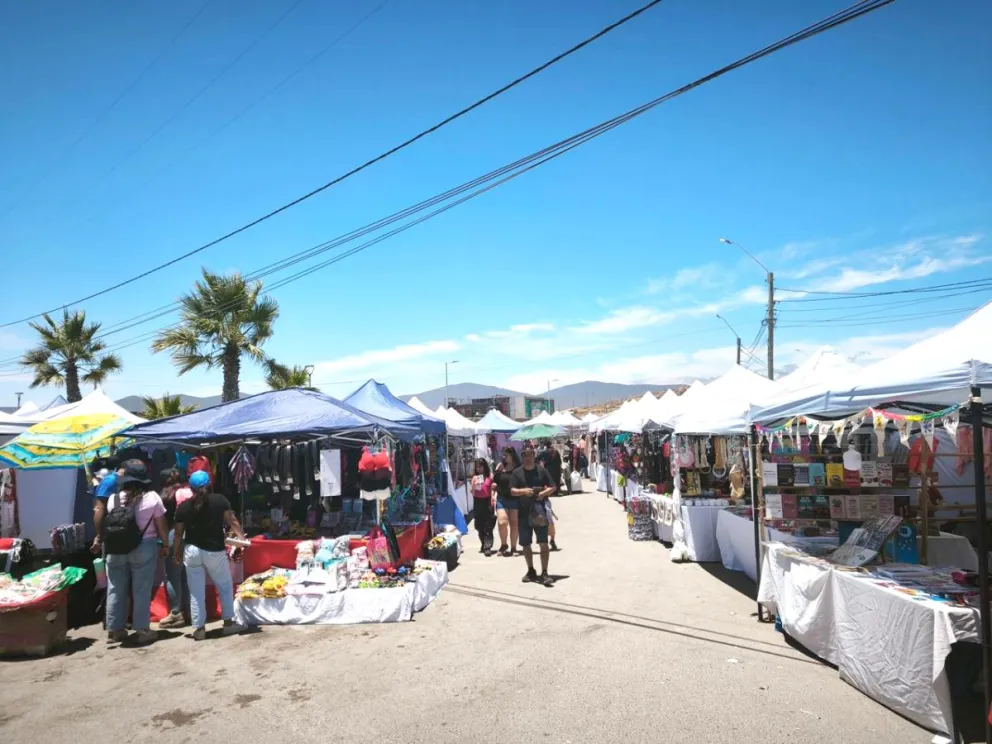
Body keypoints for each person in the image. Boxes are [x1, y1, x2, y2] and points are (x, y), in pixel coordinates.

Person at [173, 470, 247, 640]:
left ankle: (199, 629)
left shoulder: (183, 507)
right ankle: (228, 623)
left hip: (191, 552)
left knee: (196, 592)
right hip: (214, 551)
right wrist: (243, 539)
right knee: (224, 586)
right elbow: (232, 521)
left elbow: (178, 534)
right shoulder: (220, 500)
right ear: (210, 484)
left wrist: (176, 552)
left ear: (190, 488)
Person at [104, 460, 170, 645]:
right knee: (141, 589)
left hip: (116, 549)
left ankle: (114, 630)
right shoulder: (152, 498)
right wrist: (165, 544)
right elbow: (161, 524)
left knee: (115, 589)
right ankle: (142, 629)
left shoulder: (113, 499)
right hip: (144, 546)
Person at [510, 446, 556, 586]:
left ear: (534, 455)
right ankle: (531, 570)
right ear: (522, 456)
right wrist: (523, 491)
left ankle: (545, 572)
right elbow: (512, 490)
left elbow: (553, 486)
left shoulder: (541, 470)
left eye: (530, 454)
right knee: (526, 544)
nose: (528, 457)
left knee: (543, 543)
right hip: (524, 513)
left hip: (540, 512)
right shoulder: (517, 472)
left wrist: (543, 493)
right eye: (525, 455)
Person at [157, 468, 187, 629]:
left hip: (171, 534)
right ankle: (187, 610)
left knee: (172, 575)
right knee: (184, 574)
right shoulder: (185, 491)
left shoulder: (162, 496)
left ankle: (176, 612)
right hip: (186, 534)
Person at [90, 459, 125, 554]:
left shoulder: (108, 482)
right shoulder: (115, 481)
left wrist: (98, 537)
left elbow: (99, 509)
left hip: (112, 531)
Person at [493, 447, 521, 557]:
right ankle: (504, 544)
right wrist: (496, 471)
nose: (504, 457)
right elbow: (495, 482)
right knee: (502, 522)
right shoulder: (500, 467)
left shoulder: (518, 469)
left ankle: (514, 548)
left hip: (514, 499)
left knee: (514, 524)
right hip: (502, 498)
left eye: (506, 455)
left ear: (512, 455)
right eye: (503, 454)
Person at [538, 441, 563, 551]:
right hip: (554, 472)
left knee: (549, 522)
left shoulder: (549, 455)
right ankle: (546, 540)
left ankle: (551, 540)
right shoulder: (551, 454)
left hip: (546, 499)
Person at [470, 458, 494, 556]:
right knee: (479, 525)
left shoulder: (489, 476)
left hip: (487, 501)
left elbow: (493, 489)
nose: (479, 469)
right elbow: (472, 492)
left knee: (488, 525)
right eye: (477, 467)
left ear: (485, 467)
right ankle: (483, 543)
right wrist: (474, 486)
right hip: (478, 502)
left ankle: (487, 546)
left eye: (481, 467)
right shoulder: (475, 477)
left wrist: (493, 498)